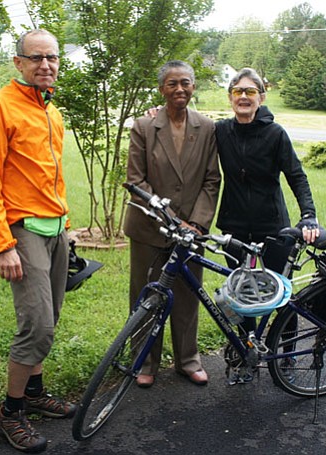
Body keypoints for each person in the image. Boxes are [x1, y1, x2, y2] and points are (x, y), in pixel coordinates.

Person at [0, 29, 75, 454]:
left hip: (55, 229)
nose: (45, 65)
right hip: (23, 232)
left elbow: (52, 174)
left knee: (49, 318)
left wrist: (66, 222)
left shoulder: (52, 110)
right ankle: (10, 413)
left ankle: (34, 393)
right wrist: (2, 244)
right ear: (18, 62)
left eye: (51, 58)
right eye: (36, 58)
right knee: (37, 325)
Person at [215, 67, 320, 382]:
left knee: (280, 291)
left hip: (272, 225)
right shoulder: (221, 131)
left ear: (261, 97)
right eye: (238, 92)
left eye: (250, 92)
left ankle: (284, 350)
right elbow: (187, 130)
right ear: (231, 97)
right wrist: (156, 115)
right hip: (234, 225)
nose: (244, 97)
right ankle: (246, 351)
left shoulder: (276, 134)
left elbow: (296, 175)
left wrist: (309, 215)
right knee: (239, 293)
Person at [124, 60, 221, 389]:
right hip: (150, 229)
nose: (179, 89)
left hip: (192, 232)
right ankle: (144, 360)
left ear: (194, 86)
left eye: (186, 83)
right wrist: (172, 220)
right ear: (161, 89)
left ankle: (188, 359)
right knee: (146, 295)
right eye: (172, 83)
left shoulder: (207, 128)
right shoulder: (143, 127)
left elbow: (211, 180)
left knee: (187, 295)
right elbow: (135, 181)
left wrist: (196, 223)